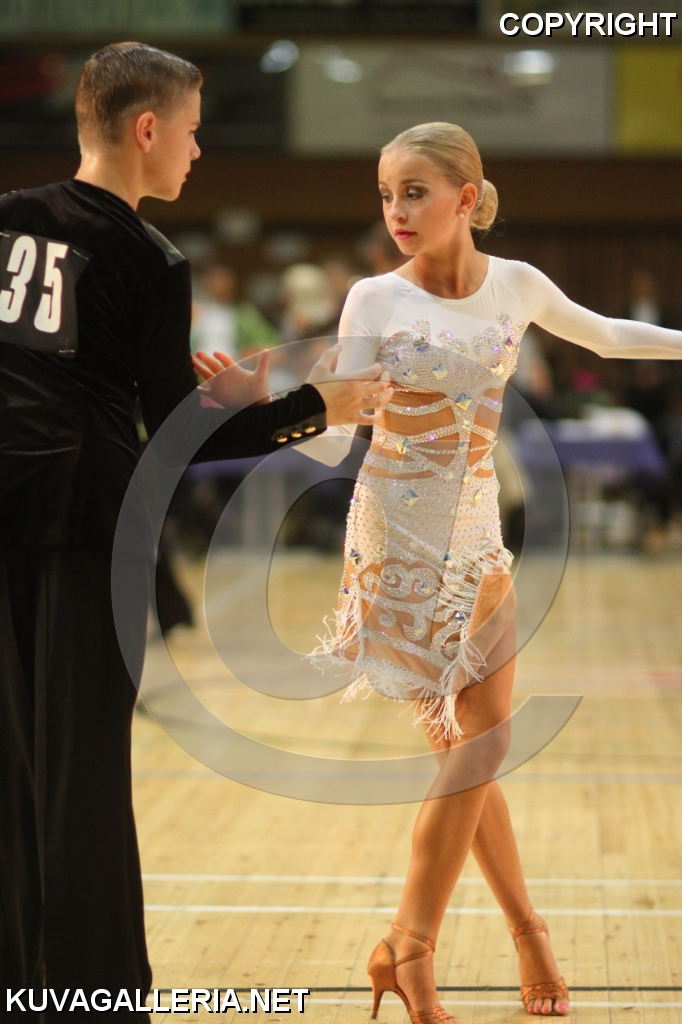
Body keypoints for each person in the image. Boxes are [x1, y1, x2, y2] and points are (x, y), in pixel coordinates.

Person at [0, 42, 391, 1016]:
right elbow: (178, 440)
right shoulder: (149, 256)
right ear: (147, 130)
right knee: (82, 775)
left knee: (12, 769)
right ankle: (88, 995)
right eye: (191, 129)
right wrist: (316, 406)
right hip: (86, 526)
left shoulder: (7, 219)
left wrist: (230, 400)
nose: (199, 149)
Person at [301, 123, 682, 1021]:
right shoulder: (371, 299)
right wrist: (289, 404)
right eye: (386, 194)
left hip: (477, 525)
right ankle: (478, 942)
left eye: (415, 192)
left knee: (478, 748)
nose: (396, 211)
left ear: (466, 198)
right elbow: (328, 447)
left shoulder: (517, 284)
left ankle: (421, 945)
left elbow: (608, 337)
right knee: (470, 751)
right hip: (394, 534)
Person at [191, 262, 279, 358]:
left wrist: (252, 350)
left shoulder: (243, 313)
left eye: (225, 281)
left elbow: (269, 340)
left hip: (233, 362)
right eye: (215, 280)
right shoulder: (194, 309)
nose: (220, 285)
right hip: (197, 362)